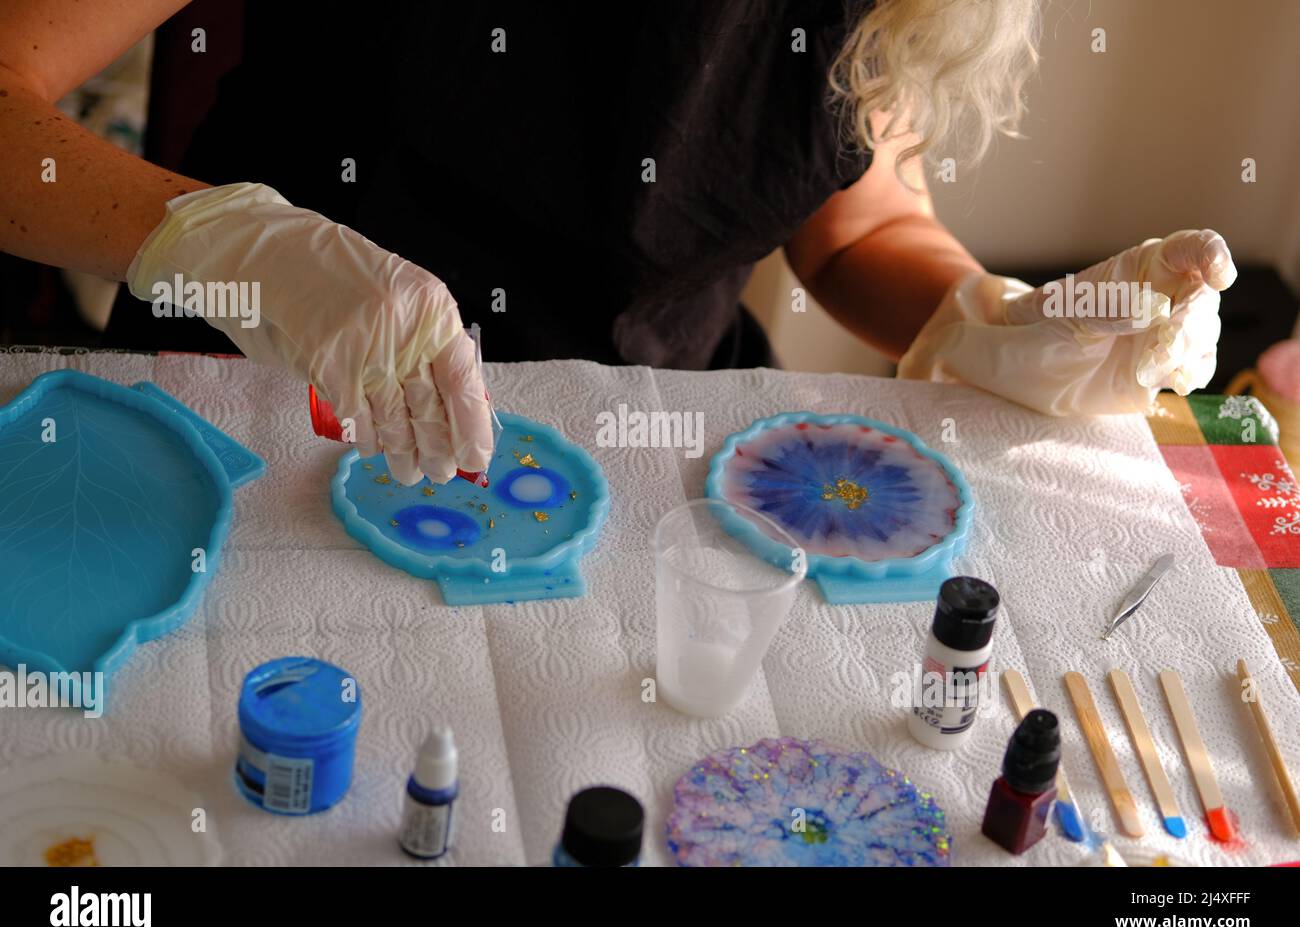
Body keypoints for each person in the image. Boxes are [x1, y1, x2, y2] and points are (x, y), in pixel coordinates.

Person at [0, 1, 1234, 485]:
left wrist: (983, 318)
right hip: (260, 398)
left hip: (638, 449)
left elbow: (850, 214)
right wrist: (237, 246)